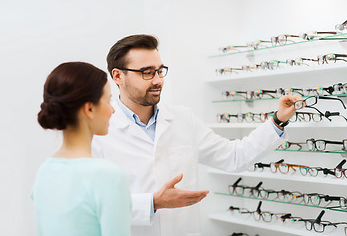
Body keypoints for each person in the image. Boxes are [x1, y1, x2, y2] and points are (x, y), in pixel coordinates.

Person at [92, 34, 302, 236]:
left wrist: (278, 120)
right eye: (146, 72)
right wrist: (153, 203)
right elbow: (94, 205)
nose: (157, 80)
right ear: (118, 76)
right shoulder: (97, 130)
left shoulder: (183, 120)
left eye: (160, 71)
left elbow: (234, 157)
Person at [32, 62, 131, 236]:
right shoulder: (107, 176)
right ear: (90, 108)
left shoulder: (44, 172)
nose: (112, 110)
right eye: (108, 101)